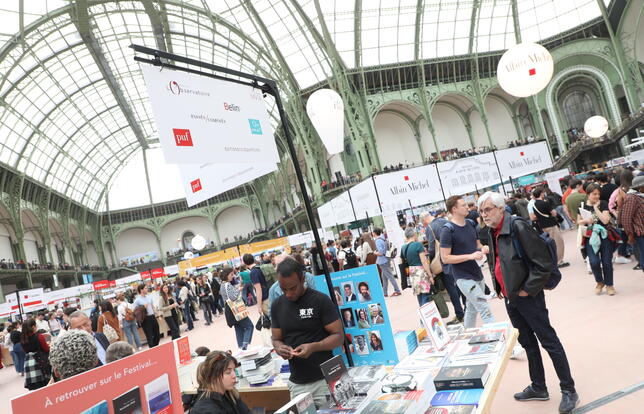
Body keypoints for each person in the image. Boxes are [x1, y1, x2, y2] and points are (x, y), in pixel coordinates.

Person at [478, 191, 579, 414]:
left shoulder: (518, 227)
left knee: (549, 341)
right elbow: (498, 261)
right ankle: (539, 387)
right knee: (528, 343)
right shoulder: (492, 231)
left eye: (488, 209)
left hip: (527, 297)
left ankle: (569, 390)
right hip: (511, 298)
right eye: (481, 211)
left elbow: (542, 264)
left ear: (500, 208)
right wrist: (500, 288)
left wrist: (527, 290)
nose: (484, 214)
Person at [271, 257, 343, 408]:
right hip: (297, 383)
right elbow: (276, 339)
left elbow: (338, 337)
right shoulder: (277, 305)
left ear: (303, 279)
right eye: (283, 289)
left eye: (293, 288)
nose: (288, 294)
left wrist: (314, 347)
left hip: (325, 379)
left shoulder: (320, 300)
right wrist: (279, 348)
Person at [440, 195, 494, 329]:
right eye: (463, 205)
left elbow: (477, 244)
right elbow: (445, 258)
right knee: (484, 307)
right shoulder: (447, 230)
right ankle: (497, 335)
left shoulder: (470, 223)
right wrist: (470, 256)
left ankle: (467, 333)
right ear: (454, 209)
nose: (467, 207)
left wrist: (483, 248)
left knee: (471, 309)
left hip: (477, 274)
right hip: (463, 277)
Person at [425, 210, 464, 324]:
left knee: (450, 288)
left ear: (424, 221)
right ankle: (466, 308)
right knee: (459, 283)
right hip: (455, 255)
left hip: (443, 261)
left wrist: (430, 260)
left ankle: (459, 313)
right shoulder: (444, 221)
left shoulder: (430, 228)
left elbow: (431, 248)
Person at [579, 183, 616, 295]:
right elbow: (578, 221)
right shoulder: (582, 205)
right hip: (589, 237)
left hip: (604, 236)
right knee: (594, 262)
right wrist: (586, 221)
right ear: (588, 194)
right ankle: (600, 282)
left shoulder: (603, 203)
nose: (597, 196)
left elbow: (605, 220)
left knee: (607, 262)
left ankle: (609, 285)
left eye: (598, 194)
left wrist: (596, 208)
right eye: (594, 194)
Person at [533, 188, 569, 267]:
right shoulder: (544, 203)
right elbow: (554, 213)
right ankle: (559, 261)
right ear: (541, 194)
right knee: (558, 243)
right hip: (551, 225)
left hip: (543, 226)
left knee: (551, 244)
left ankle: (554, 260)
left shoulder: (534, 205)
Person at [220, 267, 254, 350]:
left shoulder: (222, 285)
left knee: (238, 328)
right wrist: (239, 290)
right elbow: (233, 297)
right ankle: (245, 346)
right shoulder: (227, 284)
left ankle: (241, 347)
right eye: (231, 274)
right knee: (249, 326)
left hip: (229, 309)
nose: (233, 276)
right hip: (236, 309)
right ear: (226, 275)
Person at [401, 227, 434, 306]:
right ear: (414, 234)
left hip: (412, 273)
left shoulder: (403, 247)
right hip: (421, 272)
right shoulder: (418, 245)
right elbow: (424, 261)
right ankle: (425, 313)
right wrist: (430, 276)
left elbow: (402, 261)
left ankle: (422, 312)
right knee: (426, 296)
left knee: (419, 295)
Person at [621, 174, 644, 272]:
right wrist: (630, 234)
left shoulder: (640, 196)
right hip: (639, 233)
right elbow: (626, 218)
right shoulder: (632, 198)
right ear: (640, 187)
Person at [21, 318, 51, 390]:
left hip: (29, 363)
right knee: (46, 384)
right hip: (40, 361)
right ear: (33, 327)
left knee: (36, 388)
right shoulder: (39, 336)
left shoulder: (22, 339)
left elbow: (25, 351)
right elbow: (46, 349)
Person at [373, 227, 401, 297]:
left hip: (382, 261)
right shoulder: (383, 239)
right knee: (384, 277)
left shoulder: (377, 241)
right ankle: (385, 293)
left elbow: (381, 252)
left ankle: (397, 290)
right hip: (387, 259)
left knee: (390, 276)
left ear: (374, 233)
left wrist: (375, 253)